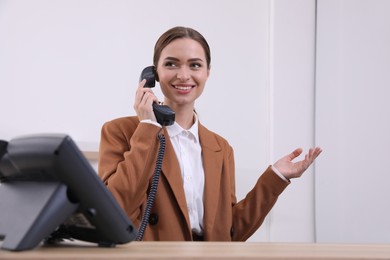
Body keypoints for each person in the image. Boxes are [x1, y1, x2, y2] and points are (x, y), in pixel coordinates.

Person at [98, 26, 322, 241]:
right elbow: (114, 211)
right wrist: (148, 126)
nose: (184, 75)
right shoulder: (122, 132)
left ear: (207, 73)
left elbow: (229, 232)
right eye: (171, 64)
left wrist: (276, 177)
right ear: (153, 74)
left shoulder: (220, 148)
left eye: (195, 65)